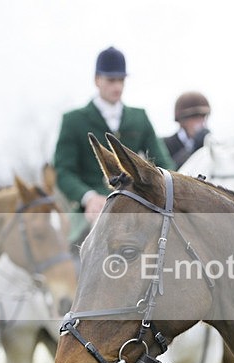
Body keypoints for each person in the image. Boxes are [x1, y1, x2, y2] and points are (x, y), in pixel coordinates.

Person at [54, 45, 175, 247]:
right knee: (74, 257)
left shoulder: (139, 117)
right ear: (97, 80)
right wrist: (88, 197)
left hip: (134, 204)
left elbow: (163, 162)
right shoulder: (73, 120)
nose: (117, 86)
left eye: (121, 80)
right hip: (89, 211)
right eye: (111, 80)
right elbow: (63, 171)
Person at [163, 91, 211, 168]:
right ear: (181, 120)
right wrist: (192, 149)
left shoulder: (208, 145)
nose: (200, 122)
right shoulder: (164, 144)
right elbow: (167, 170)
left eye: (203, 116)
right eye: (195, 117)